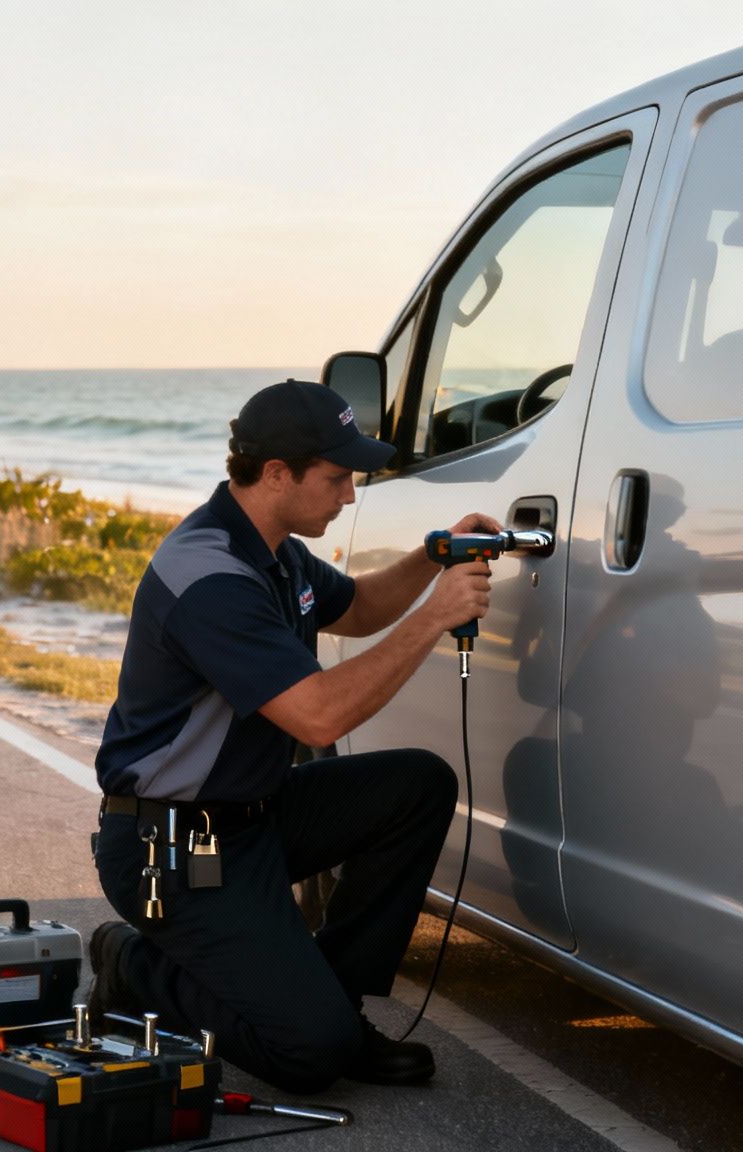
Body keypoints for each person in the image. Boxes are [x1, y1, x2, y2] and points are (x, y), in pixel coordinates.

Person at [88, 378, 497, 1093]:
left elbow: (362, 608)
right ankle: (133, 965)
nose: (348, 495)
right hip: (174, 851)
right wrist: (435, 618)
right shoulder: (210, 574)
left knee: (417, 785)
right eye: (337, 478)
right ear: (276, 474)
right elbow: (319, 716)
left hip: (257, 818)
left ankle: (335, 1003)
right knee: (307, 1057)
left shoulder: (275, 551)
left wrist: (435, 554)